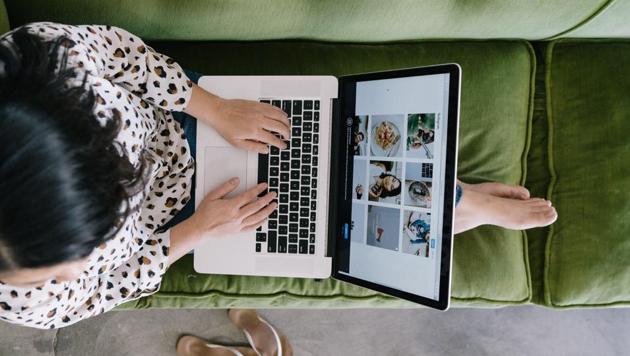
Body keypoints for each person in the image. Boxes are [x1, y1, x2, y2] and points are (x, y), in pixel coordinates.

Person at [0, 21, 557, 338]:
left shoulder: (46, 59)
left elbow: (130, 60)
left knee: (345, 140)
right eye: (71, 260)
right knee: (348, 221)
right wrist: (192, 233)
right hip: (178, 219)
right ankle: (456, 205)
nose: (93, 252)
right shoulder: (16, 299)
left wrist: (213, 107)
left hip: (180, 120)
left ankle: (455, 200)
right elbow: (99, 292)